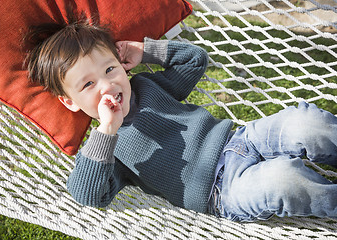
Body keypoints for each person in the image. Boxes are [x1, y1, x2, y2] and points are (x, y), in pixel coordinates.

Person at [25, 17, 337, 222]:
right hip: (221, 193)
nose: (107, 85)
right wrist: (107, 131)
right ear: (69, 102)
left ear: (123, 66)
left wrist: (145, 50)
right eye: (88, 84)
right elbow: (87, 195)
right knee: (282, 180)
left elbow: (195, 60)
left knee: (305, 124)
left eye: (110, 70)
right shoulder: (107, 150)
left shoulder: (146, 86)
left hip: (238, 139)